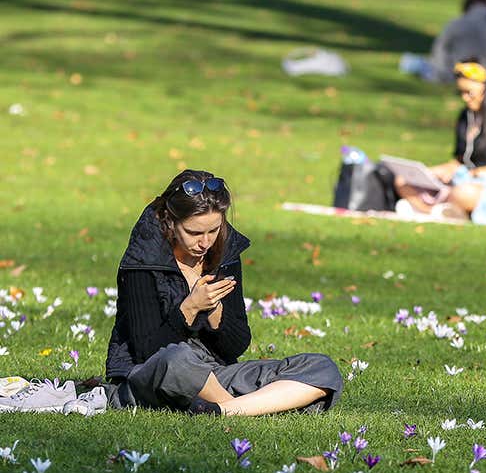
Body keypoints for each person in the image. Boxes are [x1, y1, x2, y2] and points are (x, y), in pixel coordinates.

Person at [99, 171, 344, 416]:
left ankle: (221, 410)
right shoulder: (143, 263)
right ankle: (251, 407)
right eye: (194, 233)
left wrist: (216, 312)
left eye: (213, 230)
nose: (205, 242)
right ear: (170, 223)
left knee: (322, 367)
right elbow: (146, 352)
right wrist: (190, 308)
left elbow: (235, 347)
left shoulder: (224, 256)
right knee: (177, 359)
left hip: (214, 375)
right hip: (154, 375)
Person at [393, 59, 486, 225]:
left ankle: (435, 209)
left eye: (469, 92)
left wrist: (476, 174)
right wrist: (434, 172)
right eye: (460, 92)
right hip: (463, 180)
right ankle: (434, 212)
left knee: (463, 193)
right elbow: (460, 161)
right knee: (402, 181)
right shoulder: (466, 116)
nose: (465, 98)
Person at [400, 0, 486, 89]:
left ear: (465, 8)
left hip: (462, 77)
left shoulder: (455, 24)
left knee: (412, 62)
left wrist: (440, 77)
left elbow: (438, 57)